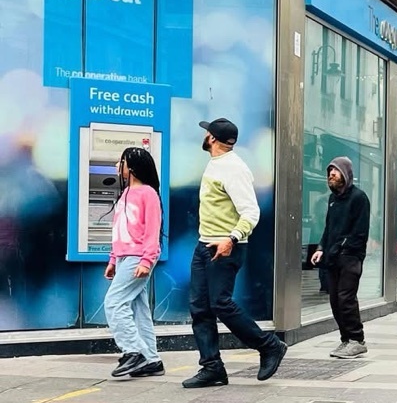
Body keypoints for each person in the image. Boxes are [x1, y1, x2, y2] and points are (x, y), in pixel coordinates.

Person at [183, 117, 286, 388]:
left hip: (225, 247)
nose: (204, 136)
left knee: (221, 304)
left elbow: (251, 212)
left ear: (213, 139)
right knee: (200, 308)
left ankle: (269, 345)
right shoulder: (216, 164)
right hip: (205, 244)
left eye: (207, 133)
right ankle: (212, 367)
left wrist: (231, 238)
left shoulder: (234, 168)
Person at [103, 146, 164, 380]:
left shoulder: (148, 193)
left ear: (133, 167)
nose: (119, 167)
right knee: (139, 308)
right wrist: (113, 259)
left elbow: (152, 230)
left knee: (113, 302)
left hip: (139, 256)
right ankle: (151, 359)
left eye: (122, 162)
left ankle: (133, 350)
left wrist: (147, 260)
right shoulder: (125, 193)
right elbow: (119, 231)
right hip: (125, 257)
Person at [310, 157, 370, 358]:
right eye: (329, 173)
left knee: (346, 298)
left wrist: (343, 249)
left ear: (345, 174)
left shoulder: (359, 198)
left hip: (350, 257)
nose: (331, 175)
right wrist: (321, 248)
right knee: (335, 300)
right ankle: (346, 340)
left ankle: (357, 339)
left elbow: (360, 232)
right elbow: (329, 229)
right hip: (332, 257)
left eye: (335, 172)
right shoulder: (333, 199)